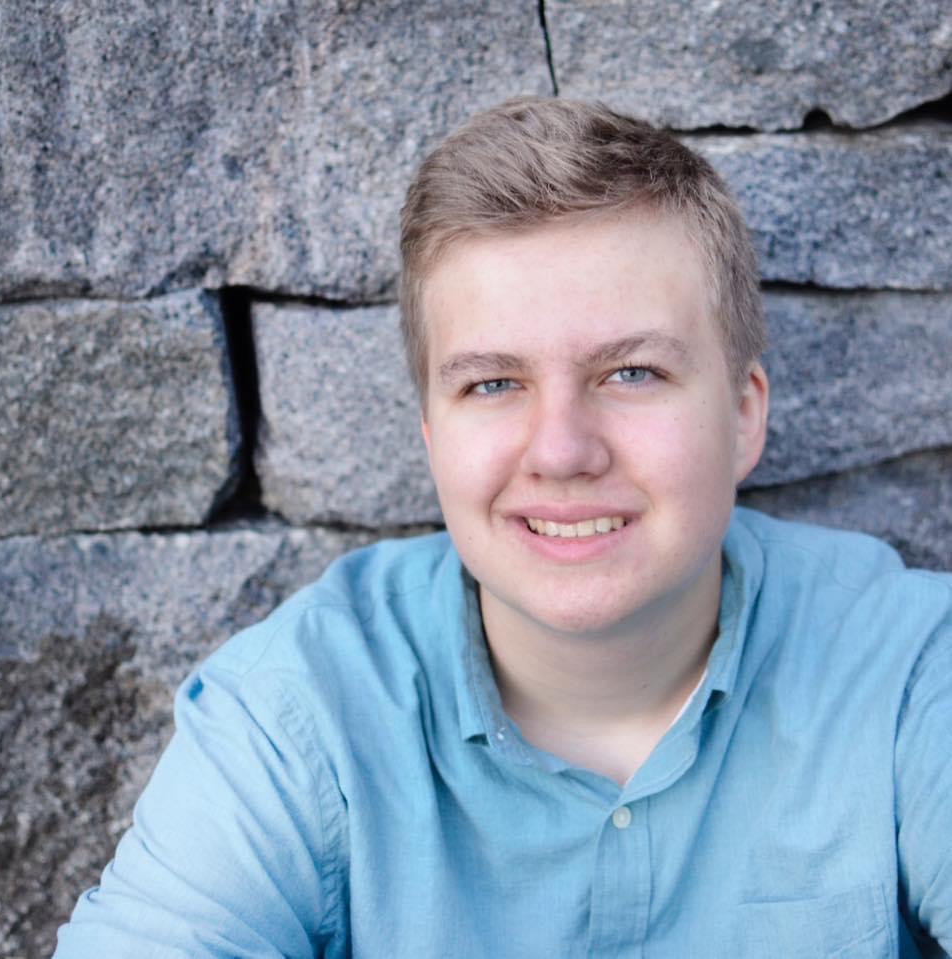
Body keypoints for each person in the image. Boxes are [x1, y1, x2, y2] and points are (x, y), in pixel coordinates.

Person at [54, 97, 951, 958]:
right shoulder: (301, 716)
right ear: (434, 436)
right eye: (493, 383)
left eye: (631, 372)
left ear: (745, 415)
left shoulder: (911, 675)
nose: (561, 452)